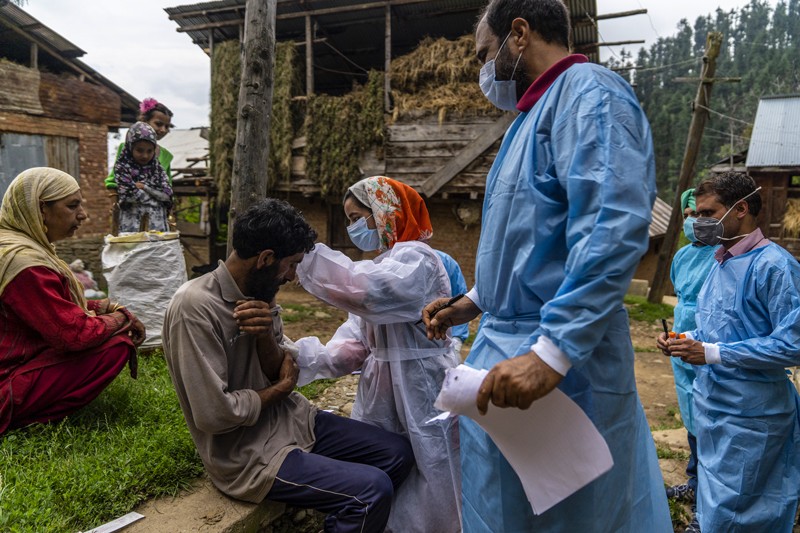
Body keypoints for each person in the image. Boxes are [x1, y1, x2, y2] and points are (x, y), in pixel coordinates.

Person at [422, 1, 672, 530]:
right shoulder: (524, 123)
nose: (482, 71)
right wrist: (468, 304)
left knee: (568, 515)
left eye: (484, 55)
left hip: (564, 370)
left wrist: (554, 351)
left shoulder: (590, 94)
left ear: (519, 33)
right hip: (509, 355)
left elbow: (609, 225)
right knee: (504, 508)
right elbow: (523, 246)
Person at [162, 198, 414, 533]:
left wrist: (266, 334)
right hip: (248, 455)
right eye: (291, 264)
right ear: (266, 258)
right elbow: (214, 414)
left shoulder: (261, 293)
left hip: (293, 421)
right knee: (370, 491)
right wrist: (279, 390)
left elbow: (281, 367)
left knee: (398, 452)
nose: (293, 276)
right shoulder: (194, 308)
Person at [294, 176, 461, 533]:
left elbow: (368, 292)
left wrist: (306, 257)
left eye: (357, 217)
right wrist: (295, 359)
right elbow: (352, 346)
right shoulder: (386, 262)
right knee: (385, 462)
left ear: (384, 212)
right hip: (382, 388)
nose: (354, 227)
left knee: (432, 465)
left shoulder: (418, 258)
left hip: (423, 382)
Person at [658, 171, 800, 532]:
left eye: (707, 213)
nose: (700, 222)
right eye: (697, 214)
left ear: (740, 209)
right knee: (716, 499)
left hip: (752, 415)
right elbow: (717, 329)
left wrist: (711, 353)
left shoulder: (775, 266)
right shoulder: (721, 262)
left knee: (747, 508)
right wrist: (683, 338)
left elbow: (792, 344)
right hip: (715, 407)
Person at [0, 167, 145, 435]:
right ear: (41, 209)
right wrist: (122, 319)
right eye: (72, 205)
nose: (83, 214)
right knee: (116, 346)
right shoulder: (24, 264)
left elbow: (53, 306)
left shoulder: (13, 248)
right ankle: (22, 418)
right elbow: (73, 335)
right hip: (6, 379)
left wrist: (103, 307)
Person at [664, 188, 719, 533]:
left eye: (699, 214)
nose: (692, 222)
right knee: (690, 419)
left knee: (711, 427)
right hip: (682, 350)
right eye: (687, 215)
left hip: (710, 350)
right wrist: (673, 338)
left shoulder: (724, 255)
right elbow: (681, 300)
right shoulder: (682, 257)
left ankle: (707, 506)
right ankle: (694, 482)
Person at [114, 122, 173, 233]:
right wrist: (156, 197)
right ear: (130, 147)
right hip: (132, 225)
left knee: (156, 250)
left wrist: (144, 187)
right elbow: (128, 195)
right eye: (139, 150)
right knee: (134, 249)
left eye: (149, 151)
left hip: (157, 226)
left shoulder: (157, 170)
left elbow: (167, 195)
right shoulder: (122, 168)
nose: (145, 155)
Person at [105, 97, 175, 190]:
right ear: (144, 121)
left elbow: (168, 187)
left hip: (156, 202)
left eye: (167, 126)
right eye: (158, 124)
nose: (163, 130)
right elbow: (113, 181)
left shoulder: (166, 156)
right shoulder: (127, 148)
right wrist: (115, 202)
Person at [435, 249, 470, 359]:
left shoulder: (444, 261)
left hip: (447, 337)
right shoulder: (390, 262)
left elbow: (460, 299)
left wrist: (457, 338)